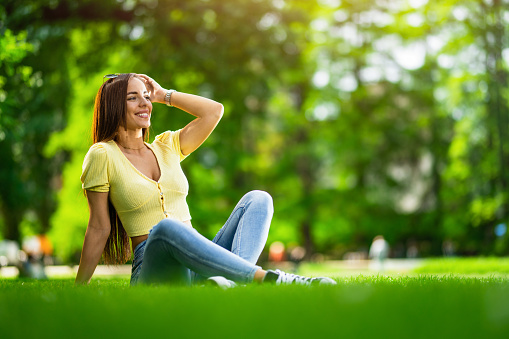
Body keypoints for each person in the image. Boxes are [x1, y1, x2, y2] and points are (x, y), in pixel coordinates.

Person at [75, 73, 336, 287]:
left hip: (196, 262)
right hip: (155, 266)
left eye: (146, 96)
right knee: (165, 228)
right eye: (133, 98)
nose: (145, 103)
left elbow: (214, 112)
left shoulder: (166, 146)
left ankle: (233, 285)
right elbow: (99, 227)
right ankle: (271, 280)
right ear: (113, 106)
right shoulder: (102, 154)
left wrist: (163, 94)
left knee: (259, 199)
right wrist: (79, 288)